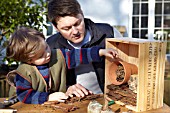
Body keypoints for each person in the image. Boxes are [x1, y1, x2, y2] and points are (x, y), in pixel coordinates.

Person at [6, 27, 118, 104]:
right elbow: (24, 95)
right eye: (41, 56)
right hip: (26, 107)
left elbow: (78, 55)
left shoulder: (58, 56)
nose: (48, 54)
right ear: (29, 60)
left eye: (46, 47)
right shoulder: (24, 72)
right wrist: (48, 97)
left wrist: (100, 52)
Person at [47, 0, 122, 97]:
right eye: (67, 28)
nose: (75, 31)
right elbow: (46, 83)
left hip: (111, 98)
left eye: (77, 23)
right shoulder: (50, 46)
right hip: (73, 104)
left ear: (82, 14)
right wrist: (66, 88)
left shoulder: (109, 33)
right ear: (55, 27)